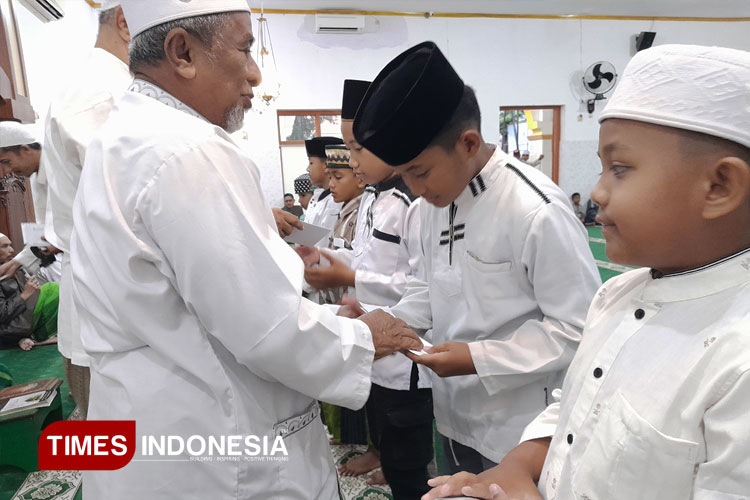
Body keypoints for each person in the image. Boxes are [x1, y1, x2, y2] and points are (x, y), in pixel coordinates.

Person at [71, 2, 421, 499]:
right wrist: (362, 336)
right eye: (244, 49)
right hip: (216, 449)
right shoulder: (187, 150)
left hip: (159, 426)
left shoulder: (126, 137)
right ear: (182, 52)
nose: (255, 74)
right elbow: (265, 328)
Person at [422, 44, 750, 500]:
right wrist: (517, 468)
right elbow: (576, 408)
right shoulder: (617, 295)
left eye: (620, 168)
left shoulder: (739, 359)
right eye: (602, 167)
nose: (597, 190)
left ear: (719, 186)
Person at [352, 41, 601, 477]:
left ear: (468, 143)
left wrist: (477, 359)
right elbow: (429, 288)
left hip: (521, 433)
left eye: (420, 171)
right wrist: (387, 324)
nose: (413, 186)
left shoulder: (535, 209)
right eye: (405, 173)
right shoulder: (432, 205)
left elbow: (578, 330)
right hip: (452, 418)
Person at [300, 78, 434, 498]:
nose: (351, 161)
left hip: (407, 355)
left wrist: (350, 277)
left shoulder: (413, 205)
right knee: (387, 438)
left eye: (358, 149)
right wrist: (336, 264)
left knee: (410, 463)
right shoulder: (377, 198)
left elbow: (421, 284)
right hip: (372, 338)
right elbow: (366, 258)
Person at [40, 0, 132, 418]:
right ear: (126, 23)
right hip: (113, 289)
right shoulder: (101, 92)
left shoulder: (103, 84)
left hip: (112, 283)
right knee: (126, 435)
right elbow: (131, 201)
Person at [0, 121, 61, 281]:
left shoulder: (63, 166)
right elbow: (45, 229)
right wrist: (17, 261)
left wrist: (60, 240)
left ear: (25, 149)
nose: (7, 171)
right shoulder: (37, 177)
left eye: (7, 162)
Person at [0, 233, 59, 351]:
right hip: (7, 330)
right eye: (4, 246)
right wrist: (25, 295)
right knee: (52, 289)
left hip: (22, 321)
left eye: (10, 246)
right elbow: (1, 314)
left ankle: (34, 337)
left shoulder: (16, 270)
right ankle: (36, 338)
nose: (11, 250)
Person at [305, 136, 344, 230]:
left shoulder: (337, 201)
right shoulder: (316, 197)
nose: (307, 169)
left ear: (326, 164)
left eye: (311, 163)